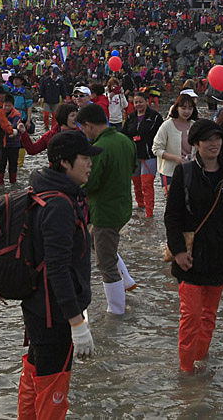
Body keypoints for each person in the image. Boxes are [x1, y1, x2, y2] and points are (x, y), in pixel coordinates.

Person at [16, 130, 98, 420]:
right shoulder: (61, 204)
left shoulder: (42, 189)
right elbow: (58, 268)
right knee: (53, 390)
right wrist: (77, 322)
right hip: (55, 314)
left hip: (37, 307)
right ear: (65, 162)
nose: (90, 164)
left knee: (33, 379)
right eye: (85, 158)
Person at [164, 119, 223, 374]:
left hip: (220, 254)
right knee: (190, 316)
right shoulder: (185, 172)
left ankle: (201, 362)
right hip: (190, 256)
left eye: (217, 139)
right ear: (196, 144)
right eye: (208, 140)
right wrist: (178, 251)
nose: (214, 144)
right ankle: (186, 371)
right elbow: (172, 216)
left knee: (209, 316)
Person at [76, 102, 137, 312]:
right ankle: (127, 280)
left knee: (105, 263)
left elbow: (91, 182)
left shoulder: (99, 148)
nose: (84, 133)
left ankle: (116, 311)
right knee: (96, 241)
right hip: (123, 206)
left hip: (104, 211)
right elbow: (134, 166)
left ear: (89, 125)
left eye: (83, 128)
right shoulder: (125, 140)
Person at [121, 90, 162, 218]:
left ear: (146, 102)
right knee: (136, 184)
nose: (138, 104)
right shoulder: (131, 117)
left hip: (150, 155)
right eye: (136, 102)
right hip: (134, 156)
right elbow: (124, 134)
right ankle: (140, 206)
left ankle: (149, 214)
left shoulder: (155, 117)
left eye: (140, 102)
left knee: (147, 184)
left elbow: (161, 136)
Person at [152, 92, 197, 195]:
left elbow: (200, 147)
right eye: (183, 108)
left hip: (190, 170)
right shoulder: (167, 126)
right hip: (169, 172)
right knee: (172, 203)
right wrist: (175, 158)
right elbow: (156, 149)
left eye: (190, 108)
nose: (187, 111)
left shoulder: (194, 126)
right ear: (177, 108)